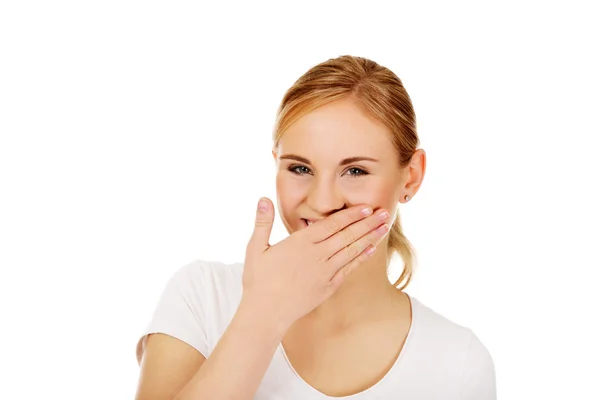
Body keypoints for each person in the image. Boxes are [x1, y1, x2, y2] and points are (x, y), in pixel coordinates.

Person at [134, 55, 496, 400]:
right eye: (300, 169)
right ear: (276, 164)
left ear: (411, 177)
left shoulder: (458, 362)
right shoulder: (202, 297)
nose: (323, 203)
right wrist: (263, 313)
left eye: (355, 171)